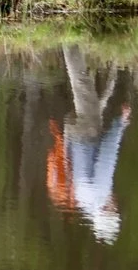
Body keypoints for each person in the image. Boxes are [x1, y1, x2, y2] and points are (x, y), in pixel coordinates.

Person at [46, 44, 132, 243]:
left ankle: (69, 41)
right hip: (73, 137)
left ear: (108, 212)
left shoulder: (100, 193)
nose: (116, 204)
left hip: (86, 132)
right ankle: (82, 45)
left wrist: (121, 123)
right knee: (87, 90)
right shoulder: (84, 203)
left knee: (81, 80)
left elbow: (107, 154)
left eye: (115, 210)